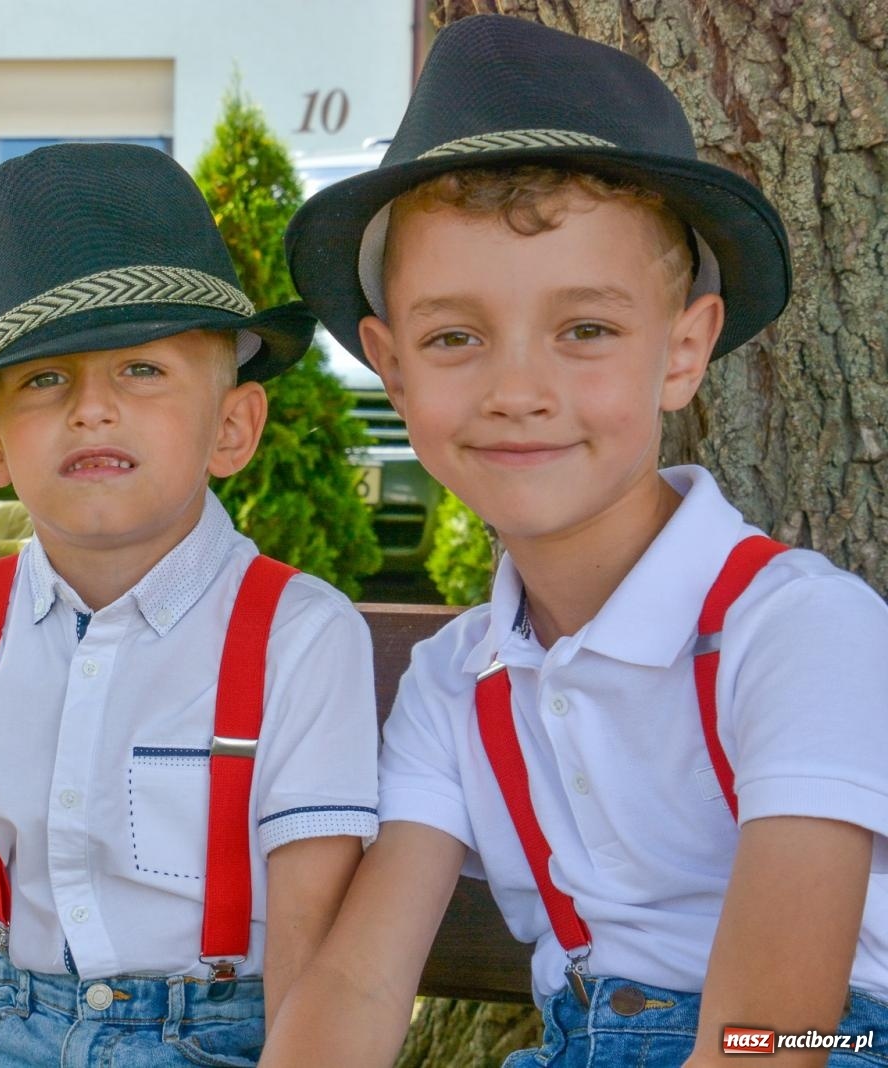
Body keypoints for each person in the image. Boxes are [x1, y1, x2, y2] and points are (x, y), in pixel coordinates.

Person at [263, 14, 888, 1067]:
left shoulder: (798, 632)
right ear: (392, 365)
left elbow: (768, 1036)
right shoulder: (454, 683)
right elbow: (360, 979)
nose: (517, 392)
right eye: (453, 337)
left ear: (684, 349)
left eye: (584, 330)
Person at [0, 142, 379, 1067]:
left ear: (232, 426)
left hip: (220, 1036)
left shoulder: (300, 633)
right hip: (10, 1026)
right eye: (45, 379)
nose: (92, 408)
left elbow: (311, 938)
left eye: (142, 370)